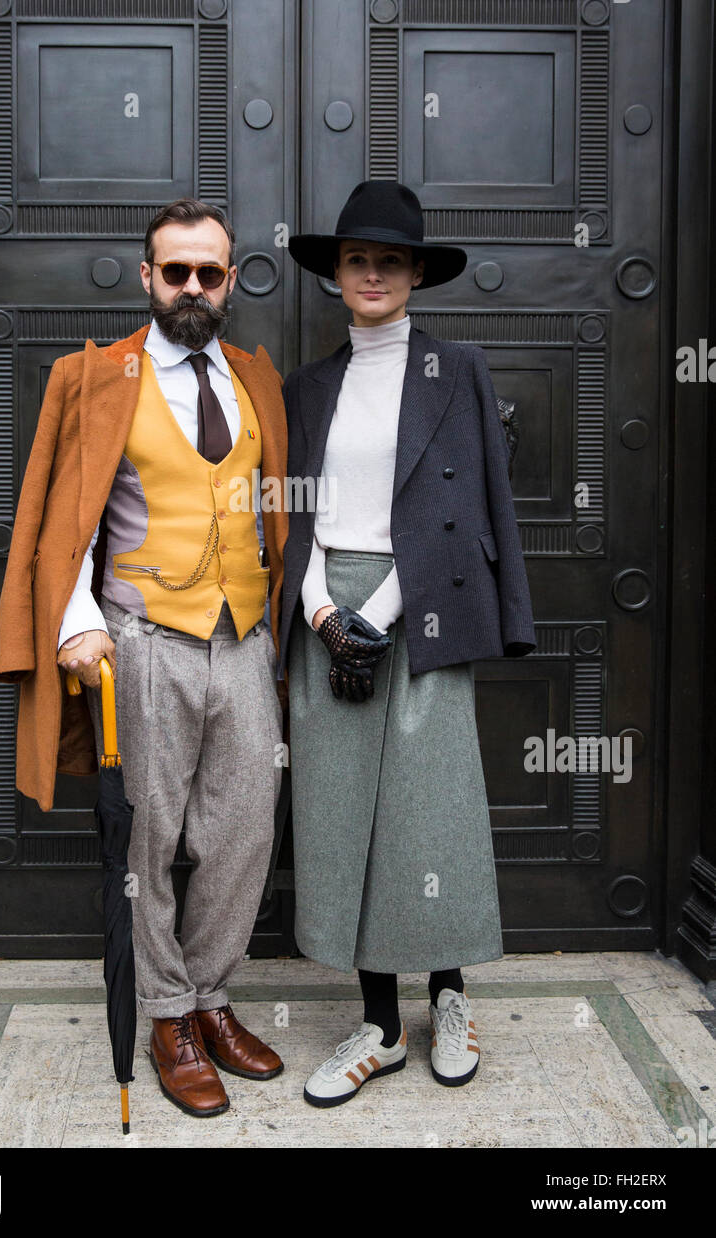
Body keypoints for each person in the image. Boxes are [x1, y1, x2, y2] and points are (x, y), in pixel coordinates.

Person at [0, 198, 288, 1119]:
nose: (193, 287)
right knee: (150, 841)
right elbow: (52, 519)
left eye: (210, 272)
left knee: (243, 834)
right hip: (140, 639)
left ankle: (208, 996)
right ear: (147, 275)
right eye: (176, 271)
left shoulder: (255, 374)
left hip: (243, 634)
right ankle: (165, 1017)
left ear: (232, 280)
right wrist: (75, 622)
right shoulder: (92, 377)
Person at [278, 180, 536, 1107]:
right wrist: (318, 610)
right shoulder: (306, 386)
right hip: (326, 611)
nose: (374, 274)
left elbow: (463, 509)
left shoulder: (456, 369)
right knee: (346, 817)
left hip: (417, 605)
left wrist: (380, 612)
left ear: (416, 273)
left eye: (391, 260)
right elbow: (299, 514)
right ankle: (381, 1026)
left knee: (433, 813)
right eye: (358, 260)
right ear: (336, 276)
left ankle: (451, 998)